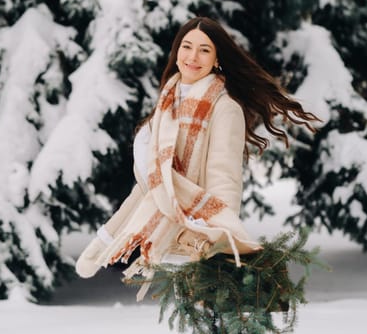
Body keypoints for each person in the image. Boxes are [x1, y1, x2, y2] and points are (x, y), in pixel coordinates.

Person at [75, 17, 319, 299]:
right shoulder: (166, 105)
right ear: (176, 52)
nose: (193, 56)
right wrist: (103, 241)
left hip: (193, 241)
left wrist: (218, 241)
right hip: (169, 244)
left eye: (204, 50)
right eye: (186, 46)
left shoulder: (225, 109)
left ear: (217, 59)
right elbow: (149, 188)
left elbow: (224, 178)